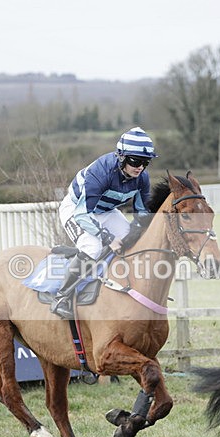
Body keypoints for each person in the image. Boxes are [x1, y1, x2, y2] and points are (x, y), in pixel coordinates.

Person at [50, 126, 156, 319]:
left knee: (132, 243)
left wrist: (145, 230)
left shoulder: (142, 178)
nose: (140, 167)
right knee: (92, 247)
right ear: (122, 157)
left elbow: (142, 212)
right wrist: (108, 238)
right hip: (77, 210)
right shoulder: (101, 172)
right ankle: (61, 297)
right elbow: (83, 215)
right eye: (135, 160)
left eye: (145, 162)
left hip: (106, 211)